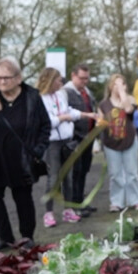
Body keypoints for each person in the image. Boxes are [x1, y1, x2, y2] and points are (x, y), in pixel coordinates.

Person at [0, 58, 50, 253]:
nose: (2, 82)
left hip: (21, 159)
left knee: (23, 198)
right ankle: (5, 237)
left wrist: (38, 149)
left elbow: (45, 126)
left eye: (6, 77)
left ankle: (27, 237)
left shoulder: (32, 97)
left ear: (18, 78)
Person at [37, 67, 96, 227]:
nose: (60, 82)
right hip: (52, 144)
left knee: (68, 178)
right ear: (50, 80)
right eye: (58, 80)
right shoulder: (40, 99)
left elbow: (68, 110)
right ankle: (48, 213)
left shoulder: (59, 96)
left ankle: (68, 210)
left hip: (67, 141)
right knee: (53, 178)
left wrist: (86, 115)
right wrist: (65, 117)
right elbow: (48, 121)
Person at [98, 74, 138, 212]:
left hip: (129, 140)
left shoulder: (129, 99)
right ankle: (117, 202)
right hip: (111, 143)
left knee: (132, 172)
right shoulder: (103, 104)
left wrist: (122, 94)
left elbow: (129, 110)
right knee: (115, 174)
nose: (120, 87)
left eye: (122, 84)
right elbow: (100, 122)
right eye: (117, 84)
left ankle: (135, 200)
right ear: (111, 86)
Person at [64, 64, 98, 217]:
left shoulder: (87, 92)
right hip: (75, 138)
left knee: (84, 170)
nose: (85, 81)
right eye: (82, 78)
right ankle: (74, 204)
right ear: (73, 76)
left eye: (87, 78)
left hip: (88, 137)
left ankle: (81, 200)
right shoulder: (66, 92)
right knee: (75, 172)